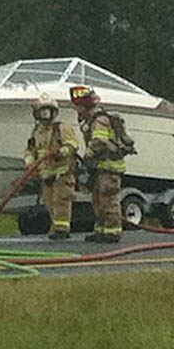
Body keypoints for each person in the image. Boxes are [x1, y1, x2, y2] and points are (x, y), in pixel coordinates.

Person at [69, 85, 126, 243]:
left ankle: (113, 232)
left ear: (86, 105)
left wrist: (87, 156)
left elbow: (99, 141)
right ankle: (102, 230)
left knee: (108, 199)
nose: (77, 110)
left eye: (78, 106)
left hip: (109, 167)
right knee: (98, 199)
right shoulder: (92, 119)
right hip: (100, 167)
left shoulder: (100, 119)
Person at [23, 93, 79, 240]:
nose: (45, 114)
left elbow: (73, 145)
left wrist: (62, 152)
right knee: (49, 201)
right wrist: (30, 163)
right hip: (46, 175)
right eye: (42, 111)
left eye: (48, 111)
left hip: (62, 173)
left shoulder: (62, 128)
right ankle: (56, 226)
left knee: (61, 200)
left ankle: (62, 229)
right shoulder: (37, 132)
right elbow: (30, 150)